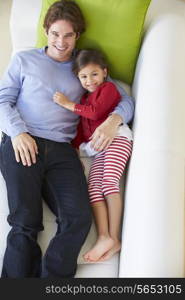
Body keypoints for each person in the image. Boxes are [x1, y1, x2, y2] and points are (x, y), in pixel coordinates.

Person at [0, 0, 134, 278]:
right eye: (55, 34)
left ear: (78, 35)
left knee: (78, 219)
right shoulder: (25, 60)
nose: (61, 42)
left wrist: (113, 121)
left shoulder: (83, 68)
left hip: (63, 152)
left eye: (68, 35)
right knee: (25, 222)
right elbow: (3, 100)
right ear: (46, 31)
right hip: (23, 143)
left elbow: (124, 98)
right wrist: (18, 132)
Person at [53, 49, 133, 262]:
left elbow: (96, 112)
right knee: (93, 190)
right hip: (98, 150)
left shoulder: (108, 89)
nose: (90, 81)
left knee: (108, 183)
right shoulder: (84, 100)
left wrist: (67, 104)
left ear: (105, 72)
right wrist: (75, 153)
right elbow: (80, 133)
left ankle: (114, 237)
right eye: (84, 76)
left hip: (117, 138)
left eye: (94, 74)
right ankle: (104, 236)